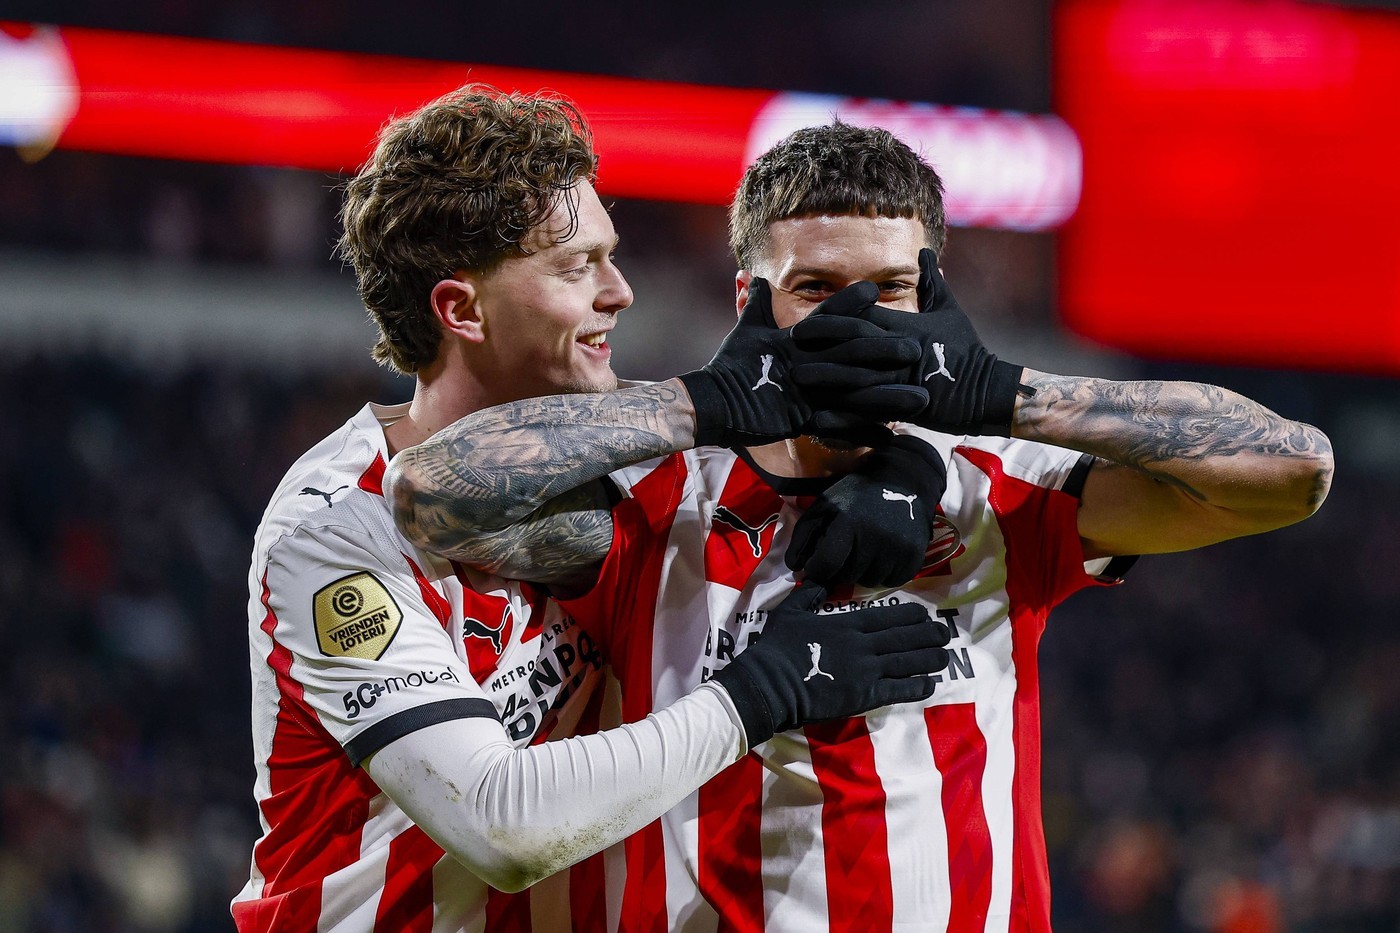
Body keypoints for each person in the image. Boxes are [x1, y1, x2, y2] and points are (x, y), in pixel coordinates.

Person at [386, 121, 1336, 930]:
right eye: (813, 287)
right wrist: (709, 401)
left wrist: (999, 394)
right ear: (747, 302)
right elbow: (429, 492)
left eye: (887, 288)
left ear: (933, 303)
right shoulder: (656, 486)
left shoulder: (999, 485)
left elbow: (1295, 471)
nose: (853, 316)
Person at [233, 90, 957, 931]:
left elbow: (803, 438)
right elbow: (504, 826)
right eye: (577, 267)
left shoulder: (626, 457)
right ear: (461, 309)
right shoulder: (330, 531)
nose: (620, 291)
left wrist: (912, 464)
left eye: (610, 257)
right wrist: (758, 693)